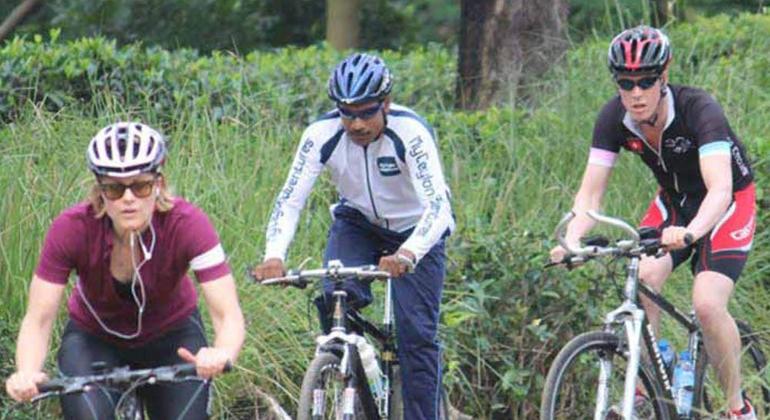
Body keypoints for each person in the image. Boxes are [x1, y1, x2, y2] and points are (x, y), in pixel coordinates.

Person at [550, 25, 756, 419]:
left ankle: (737, 407)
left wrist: (693, 233)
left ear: (664, 77)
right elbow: (590, 195)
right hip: (674, 203)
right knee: (642, 276)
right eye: (626, 83)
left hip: (726, 201)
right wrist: (573, 239)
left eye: (646, 81)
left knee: (708, 305)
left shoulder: (699, 109)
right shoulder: (614, 117)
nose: (636, 93)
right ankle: (646, 386)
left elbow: (719, 189)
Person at [252, 52, 454, 419]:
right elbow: (290, 200)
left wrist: (408, 253)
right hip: (357, 223)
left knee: (416, 337)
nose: (356, 123)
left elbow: (438, 207)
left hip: (417, 229)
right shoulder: (320, 135)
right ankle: (346, 370)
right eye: (347, 113)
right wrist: (274, 255)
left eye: (366, 112)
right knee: (335, 296)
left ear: (386, 104)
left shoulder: (410, 133)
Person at [5, 122, 246, 419]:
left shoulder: (189, 224)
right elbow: (39, 319)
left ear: (158, 183)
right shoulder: (71, 229)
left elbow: (227, 314)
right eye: (115, 189)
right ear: (100, 190)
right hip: (94, 339)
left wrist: (221, 352)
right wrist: (28, 372)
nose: (128, 198)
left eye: (141, 186)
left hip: (173, 337)